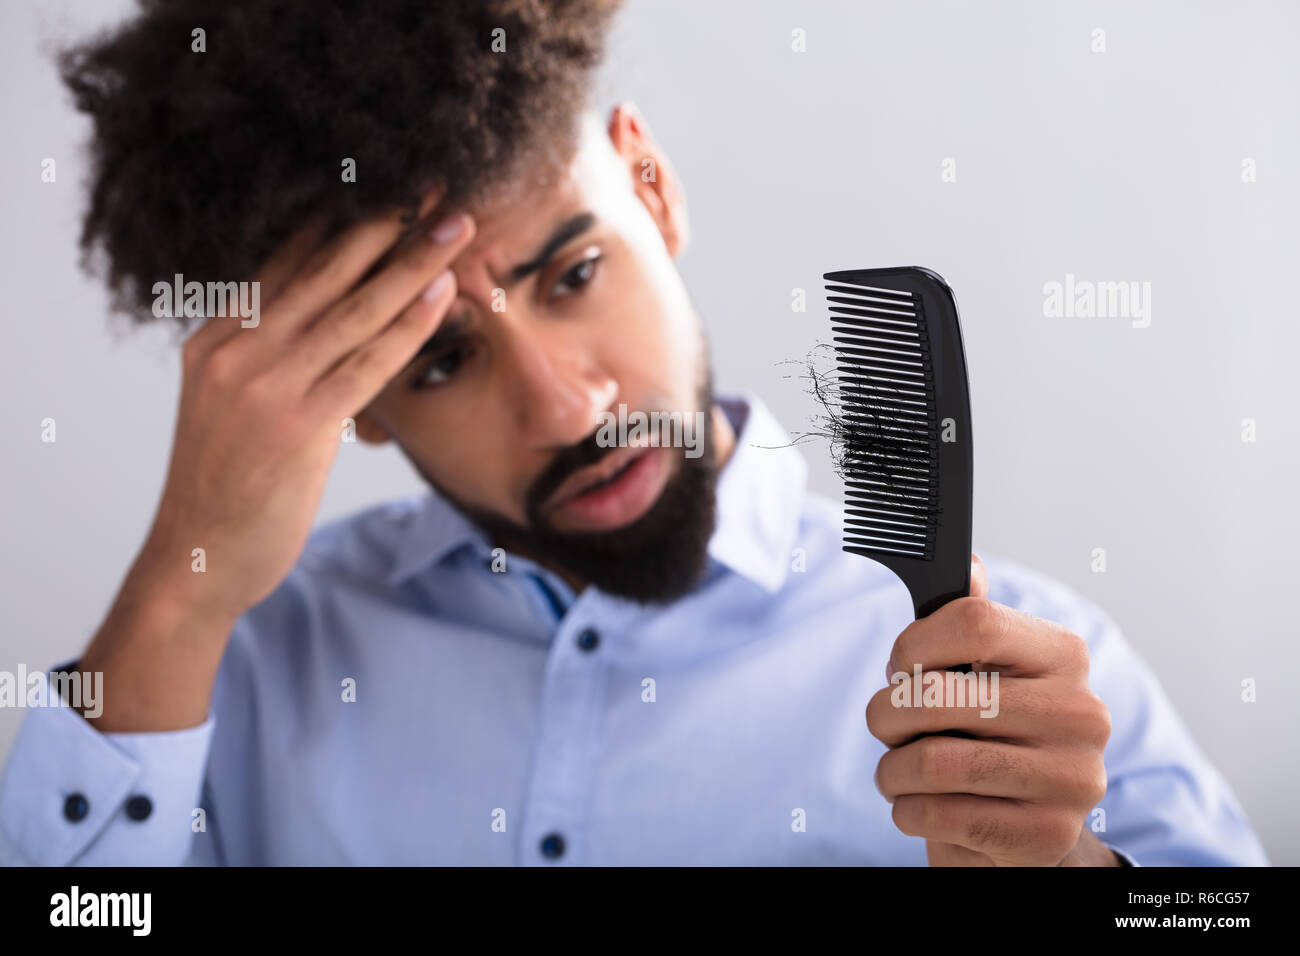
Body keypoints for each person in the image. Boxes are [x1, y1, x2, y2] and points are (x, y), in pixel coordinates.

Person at [0, 0, 1267, 866]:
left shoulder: (1023, 678)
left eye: (571, 275)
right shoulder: (228, 689)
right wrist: (178, 587)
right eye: (438, 357)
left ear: (649, 187)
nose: (563, 408)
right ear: (358, 401)